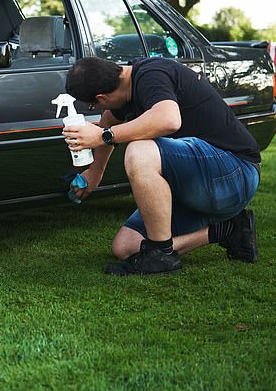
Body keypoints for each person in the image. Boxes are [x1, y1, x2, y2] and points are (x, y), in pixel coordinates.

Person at [61, 56, 261, 276]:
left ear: (102, 97)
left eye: (93, 105)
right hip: (199, 183)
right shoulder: (127, 86)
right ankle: (229, 229)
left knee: (139, 151)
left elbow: (168, 120)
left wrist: (104, 136)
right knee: (126, 246)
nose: (96, 108)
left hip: (235, 172)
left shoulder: (150, 75)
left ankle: (161, 256)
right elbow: (109, 119)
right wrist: (94, 173)